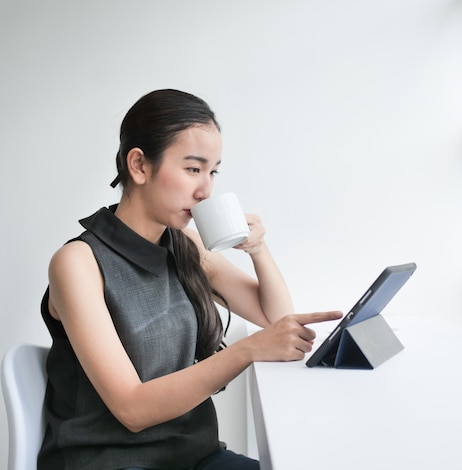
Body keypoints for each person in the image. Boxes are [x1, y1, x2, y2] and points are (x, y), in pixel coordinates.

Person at [38, 89, 342, 470]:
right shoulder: (77, 263)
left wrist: (258, 250)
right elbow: (131, 408)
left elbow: (275, 319)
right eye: (193, 169)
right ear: (139, 166)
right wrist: (246, 350)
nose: (206, 190)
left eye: (212, 171)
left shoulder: (184, 245)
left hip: (193, 457)